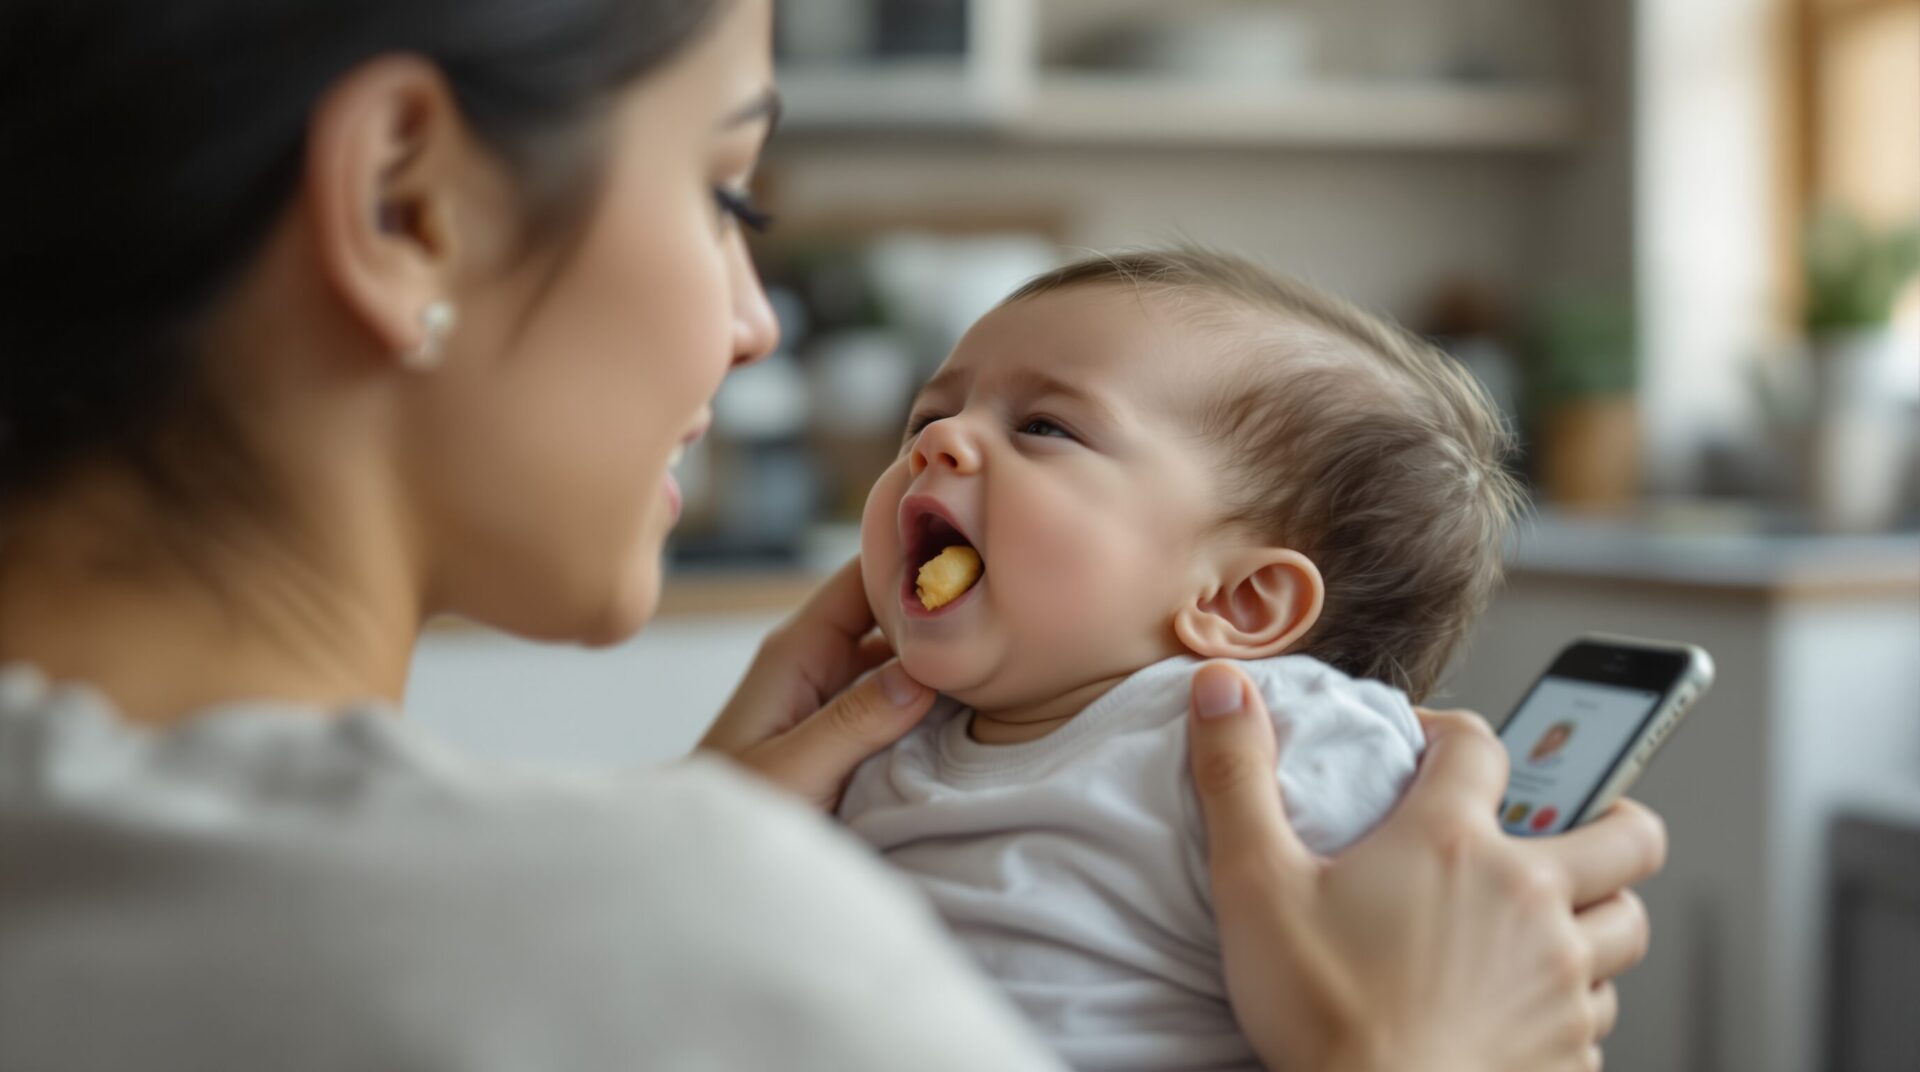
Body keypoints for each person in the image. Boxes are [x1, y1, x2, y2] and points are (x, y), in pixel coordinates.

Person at [0, 2, 1666, 1070]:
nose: (754, 325)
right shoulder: (672, 947)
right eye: (727, 196)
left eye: (1047, 424)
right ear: (401, 203)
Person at [836, 249, 1520, 1068]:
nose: (939, 441)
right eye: (924, 419)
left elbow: (1450, 958)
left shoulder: (1277, 738)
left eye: (1044, 427)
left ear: (1238, 603)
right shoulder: (867, 742)